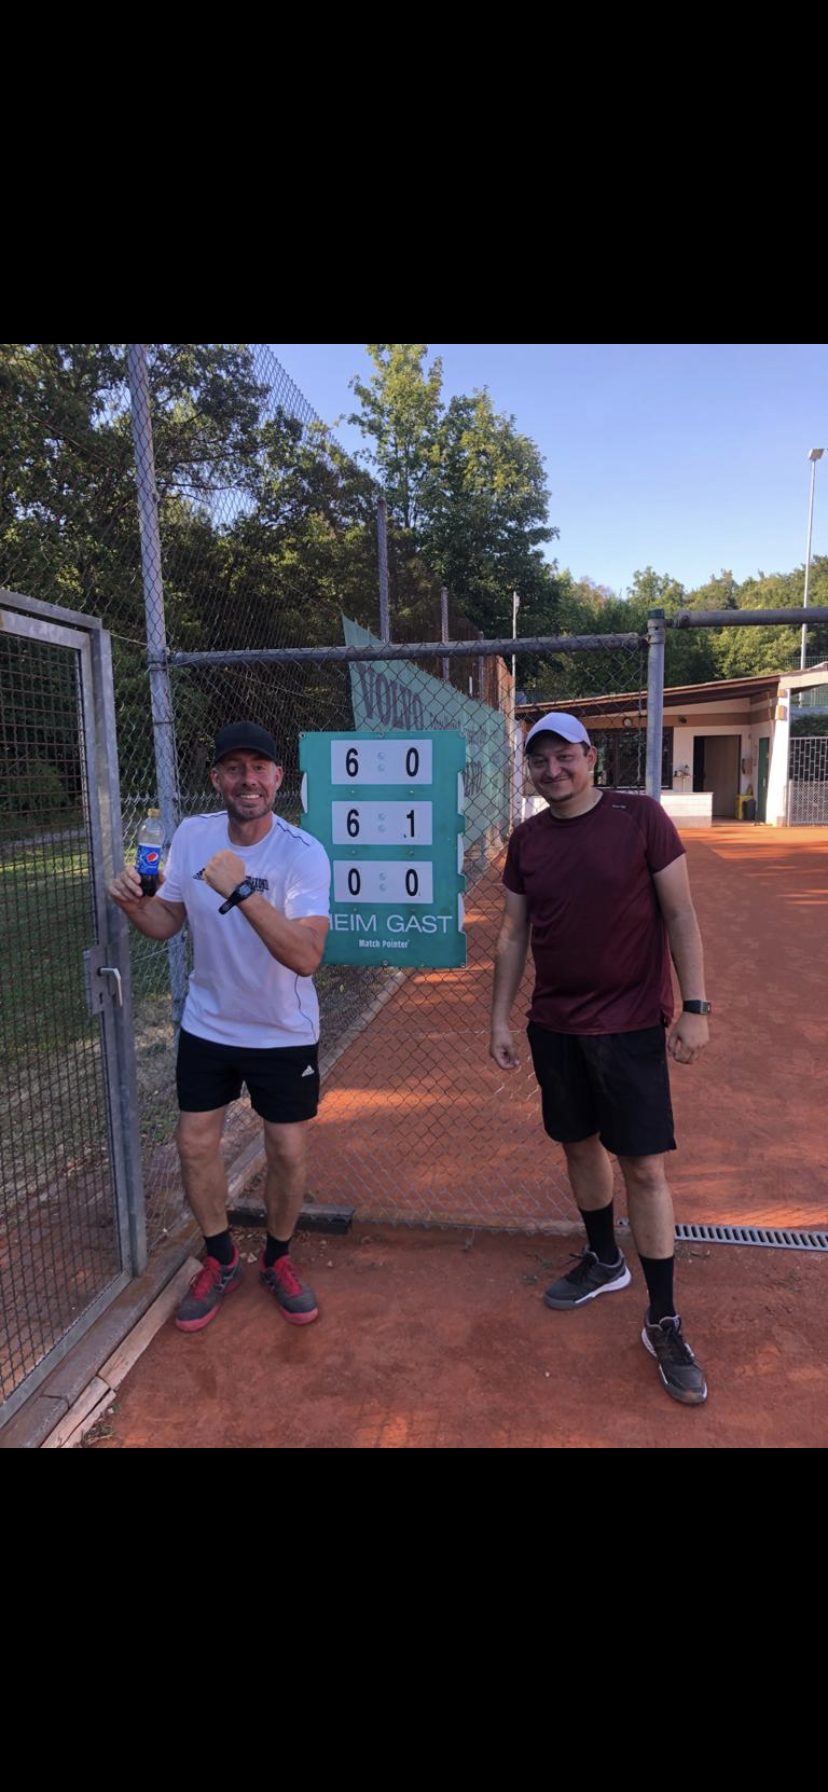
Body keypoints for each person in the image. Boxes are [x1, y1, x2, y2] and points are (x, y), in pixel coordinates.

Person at [490, 714, 710, 1406]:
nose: (552, 770)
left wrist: (696, 1008)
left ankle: (663, 1316)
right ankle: (605, 1259)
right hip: (555, 1026)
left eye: (564, 756)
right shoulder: (527, 841)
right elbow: (513, 932)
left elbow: (680, 914)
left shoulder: (640, 819)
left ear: (590, 756)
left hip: (630, 1026)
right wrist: (499, 1017)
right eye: (540, 761)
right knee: (578, 1146)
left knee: (643, 1168)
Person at [109, 722, 331, 1334]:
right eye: (234, 768)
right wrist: (134, 905)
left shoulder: (303, 852)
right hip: (209, 1024)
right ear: (216, 779)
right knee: (194, 1143)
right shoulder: (193, 835)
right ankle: (222, 1257)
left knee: (286, 1150)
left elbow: (306, 956)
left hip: (283, 1029)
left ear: (278, 778)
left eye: (259, 767)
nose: (247, 779)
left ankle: (278, 1259)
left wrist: (240, 890)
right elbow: (166, 921)